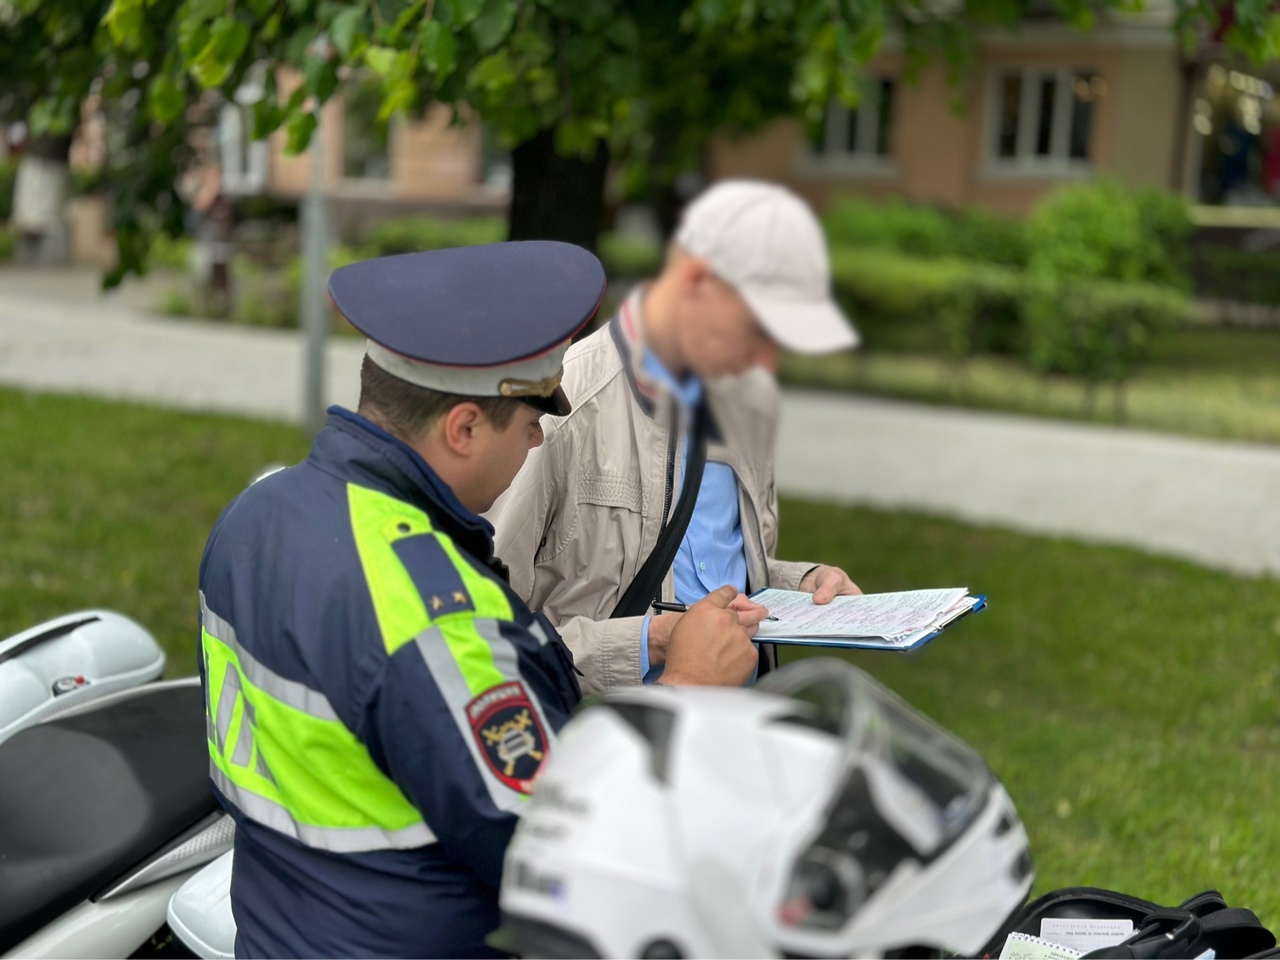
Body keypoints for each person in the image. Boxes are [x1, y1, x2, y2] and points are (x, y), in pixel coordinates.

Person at [196, 242, 765, 959]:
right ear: (464, 427)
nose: (536, 443)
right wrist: (686, 690)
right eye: (530, 426)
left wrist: (646, 643)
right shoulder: (440, 621)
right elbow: (570, 863)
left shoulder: (260, 515)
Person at [488, 180, 864, 693]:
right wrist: (649, 642)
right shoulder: (564, 401)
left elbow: (716, 567)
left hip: (736, 729)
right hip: (615, 749)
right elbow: (488, 635)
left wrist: (800, 582)